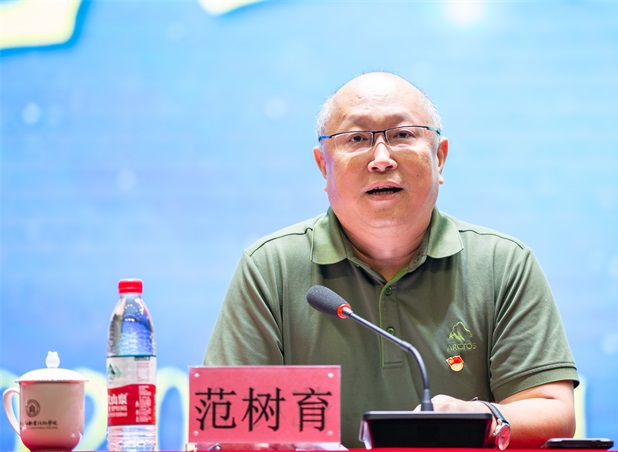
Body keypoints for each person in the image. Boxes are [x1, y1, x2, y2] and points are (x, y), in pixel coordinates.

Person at [204, 71, 579, 449]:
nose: (381, 160)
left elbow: (553, 411)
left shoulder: (502, 263)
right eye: (356, 139)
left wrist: (480, 417)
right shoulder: (271, 267)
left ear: (440, 158)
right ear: (323, 166)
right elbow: (225, 422)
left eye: (402, 135)